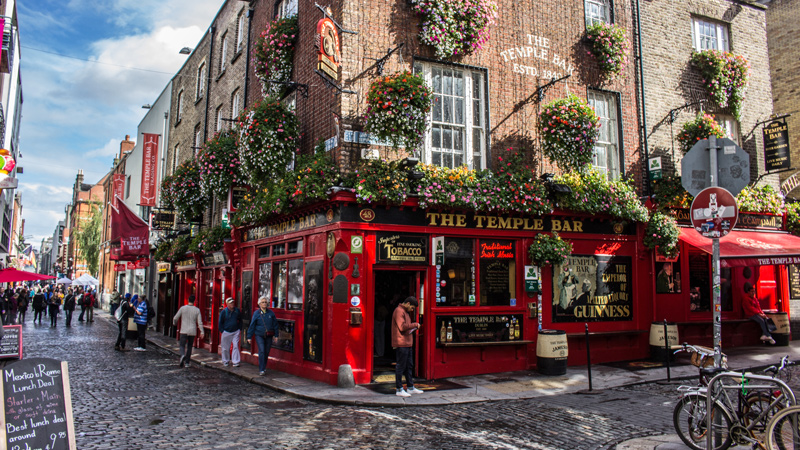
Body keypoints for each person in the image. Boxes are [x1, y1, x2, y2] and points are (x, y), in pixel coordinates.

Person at [391, 296, 423, 397]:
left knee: (409, 366)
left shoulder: (405, 312)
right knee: (401, 366)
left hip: (407, 343)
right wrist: (414, 325)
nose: (412, 310)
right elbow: (402, 327)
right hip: (402, 343)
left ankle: (410, 387)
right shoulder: (399, 311)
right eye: (412, 307)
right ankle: (399, 389)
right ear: (408, 304)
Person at [246, 297, 279, 376]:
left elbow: (275, 325)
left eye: (265, 302)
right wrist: (249, 336)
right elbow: (252, 325)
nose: (264, 303)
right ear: (259, 304)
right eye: (263, 302)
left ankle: (264, 367)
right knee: (262, 351)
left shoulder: (271, 313)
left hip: (269, 335)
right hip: (259, 335)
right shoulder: (256, 313)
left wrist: (276, 335)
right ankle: (261, 369)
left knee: (266, 352)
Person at [218, 297, 242, 367]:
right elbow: (220, 322)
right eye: (230, 303)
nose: (232, 304)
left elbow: (240, 319)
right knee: (225, 348)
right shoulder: (224, 312)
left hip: (235, 331)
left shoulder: (237, 311)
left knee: (235, 346)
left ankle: (235, 361)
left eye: (233, 302)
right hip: (226, 331)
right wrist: (222, 330)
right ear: (227, 304)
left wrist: (239, 328)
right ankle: (226, 360)